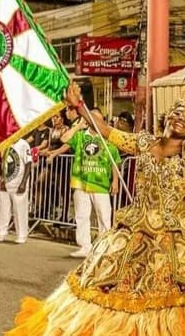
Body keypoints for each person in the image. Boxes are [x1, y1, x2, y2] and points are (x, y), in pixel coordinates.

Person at [6, 77, 185, 335]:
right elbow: (104, 130)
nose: (182, 120)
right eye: (178, 113)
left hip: (181, 232)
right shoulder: (142, 142)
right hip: (136, 230)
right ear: (166, 117)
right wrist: (79, 106)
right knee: (118, 295)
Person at [62, 108, 120, 258]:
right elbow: (64, 139)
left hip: (100, 183)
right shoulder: (81, 136)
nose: (95, 121)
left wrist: (115, 181)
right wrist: (77, 126)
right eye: (92, 118)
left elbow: (115, 161)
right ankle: (84, 246)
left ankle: (103, 248)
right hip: (81, 182)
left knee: (104, 216)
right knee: (81, 215)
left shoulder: (107, 138)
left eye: (99, 119)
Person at [0, 138, 33, 244]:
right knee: (3, 208)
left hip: (18, 182)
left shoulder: (23, 144)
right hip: (5, 182)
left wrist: (23, 182)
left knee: (20, 210)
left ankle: (21, 235)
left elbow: (29, 164)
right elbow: (2, 162)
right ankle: (1, 232)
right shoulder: (5, 143)